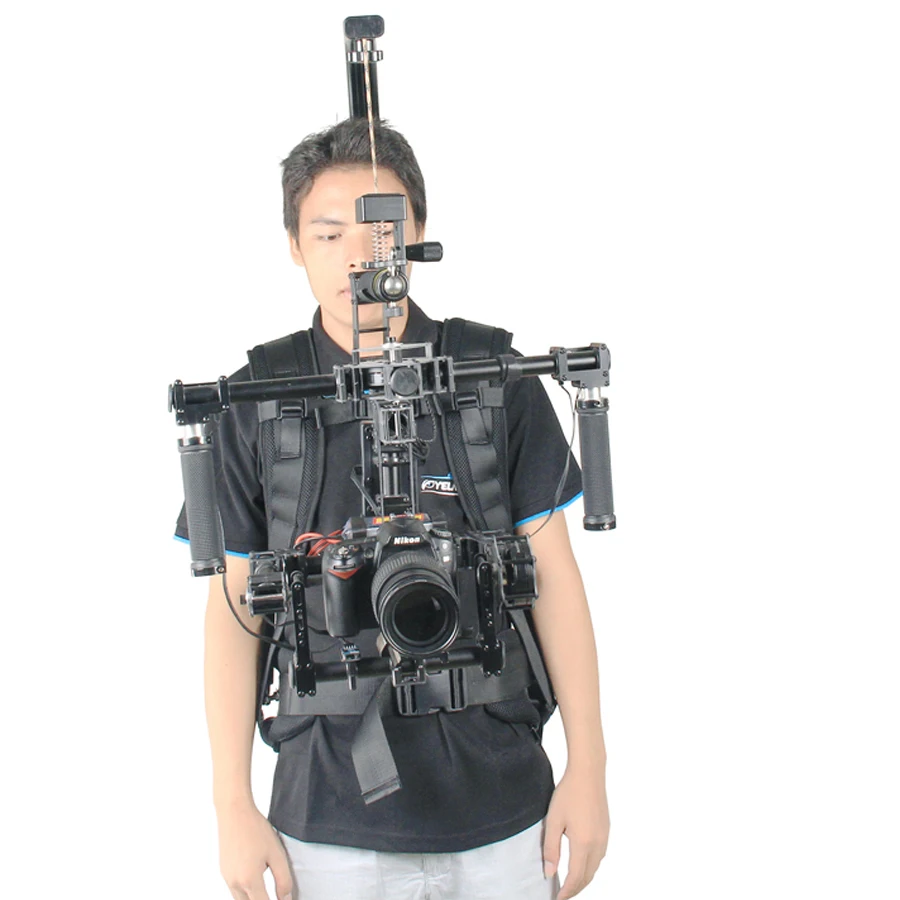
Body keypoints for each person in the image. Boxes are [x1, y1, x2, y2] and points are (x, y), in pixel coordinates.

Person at [176, 117, 610, 900]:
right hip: (324, 818)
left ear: (418, 232)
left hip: (505, 808)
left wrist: (590, 769)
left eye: (381, 230)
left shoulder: (490, 378)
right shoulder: (259, 402)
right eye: (328, 233)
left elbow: (554, 578)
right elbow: (233, 610)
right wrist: (231, 805)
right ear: (294, 245)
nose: (359, 257)